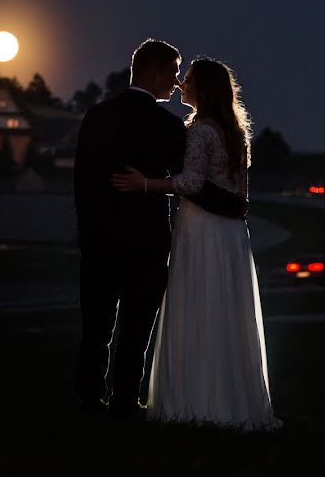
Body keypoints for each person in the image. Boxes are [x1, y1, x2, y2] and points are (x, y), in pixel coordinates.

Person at [73, 39, 246, 420]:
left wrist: (85, 233)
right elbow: (192, 181)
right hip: (147, 243)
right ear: (153, 73)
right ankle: (123, 403)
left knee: (96, 327)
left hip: (98, 240)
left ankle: (88, 400)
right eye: (172, 72)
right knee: (135, 330)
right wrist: (233, 206)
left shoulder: (97, 115)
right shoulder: (168, 126)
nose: (176, 82)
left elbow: (82, 182)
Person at [110, 57, 280, 430]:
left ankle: (193, 402)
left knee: (198, 305)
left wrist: (145, 184)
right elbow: (241, 197)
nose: (180, 84)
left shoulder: (201, 130)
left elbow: (189, 184)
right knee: (223, 311)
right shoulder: (235, 132)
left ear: (202, 88)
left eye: (186, 79)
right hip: (231, 235)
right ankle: (230, 401)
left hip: (201, 229)